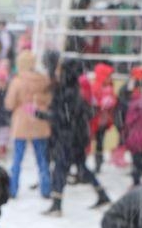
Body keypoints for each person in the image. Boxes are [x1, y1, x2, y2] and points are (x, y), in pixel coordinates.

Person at [39, 59, 110, 216]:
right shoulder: (75, 90)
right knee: (82, 168)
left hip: (67, 138)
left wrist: (44, 115)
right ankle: (102, 194)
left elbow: (64, 117)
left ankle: (57, 205)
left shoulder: (67, 92)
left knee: (60, 169)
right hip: (76, 137)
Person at [4, 51, 51, 198]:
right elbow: (49, 100)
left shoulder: (17, 81)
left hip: (21, 122)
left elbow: (9, 104)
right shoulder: (44, 80)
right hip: (40, 121)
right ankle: (46, 188)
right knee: (42, 158)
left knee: (17, 158)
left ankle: (13, 189)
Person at [89, 63, 117, 173]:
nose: (110, 78)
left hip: (103, 121)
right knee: (94, 142)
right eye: (108, 76)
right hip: (96, 120)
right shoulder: (96, 87)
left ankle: (98, 162)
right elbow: (93, 102)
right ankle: (96, 161)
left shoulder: (109, 87)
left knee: (99, 143)